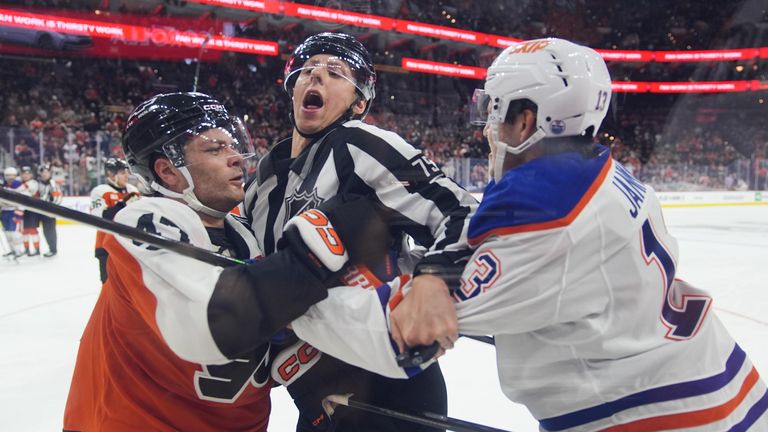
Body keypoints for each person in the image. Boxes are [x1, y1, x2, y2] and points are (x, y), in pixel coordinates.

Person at [366, 38, 765, 430]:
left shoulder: (551, 210)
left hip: (661, 415)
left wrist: (315, 285)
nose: (487, 127)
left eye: (494, 110)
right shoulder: (603, 173)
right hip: (720, 382)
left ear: (525, 120)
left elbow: (424, 319)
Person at [64, 92, 389, 431]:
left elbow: (273, 337)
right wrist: (318, 250)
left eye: (232, 145)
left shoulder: (245, 236)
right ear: (168, 171)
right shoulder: (147, 221)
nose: (236, 158)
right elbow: (217, 320)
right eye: (215, 149)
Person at [242, 32, 478, 431]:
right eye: (308, 70)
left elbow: (462, 214)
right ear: (292, 86)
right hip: (314, 392)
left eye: (335, 72)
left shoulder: (358, 143)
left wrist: (434, 280)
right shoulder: (262, 178)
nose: (316, 77)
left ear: (359, 103)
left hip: (387, 384)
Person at [89, 157, 140, 281]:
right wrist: (123, 205)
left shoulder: (133, 191)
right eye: (122, 172)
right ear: (111, 174)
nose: (127, 176)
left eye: (127, 172)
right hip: (107, 247)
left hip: (130, 246)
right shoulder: (100, 191)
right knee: (109, 287)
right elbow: (98, 218)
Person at [36, 164, 63, 257]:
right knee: (42, 231)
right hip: (38, 211)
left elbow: (58, 198)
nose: (44, 174)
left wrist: (51, 207)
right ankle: (36, 249)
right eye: (42, 172)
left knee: (49, 231)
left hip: (49, 212)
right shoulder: (37, 183)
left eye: (46, 172)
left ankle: (53, 249)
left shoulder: (53, 184)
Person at [17, 165, 42, 256]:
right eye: (24, 174)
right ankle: (26, 249)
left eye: (27, 174)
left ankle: (37, 249)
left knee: (32, 230)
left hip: (32, 210)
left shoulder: (33, 183)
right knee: (24, 231)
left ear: (31, 175)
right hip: (22, 210)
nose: (25, 175)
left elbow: (21, 191)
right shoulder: (19, 182)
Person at [1, 167, 25, 258]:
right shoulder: (3, 186)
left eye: (12, 175)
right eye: (8, 175)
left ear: (16, 176)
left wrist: (18, 214)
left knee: (15, 234)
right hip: (4, 212)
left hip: (14, 212)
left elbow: (23, 202)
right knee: (7, 233)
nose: (10, 177)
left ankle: (18, 250)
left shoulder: (20, 186)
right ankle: (12, 250)